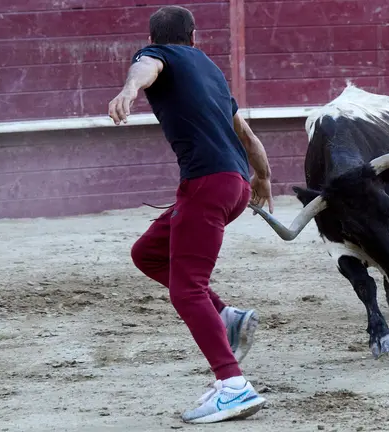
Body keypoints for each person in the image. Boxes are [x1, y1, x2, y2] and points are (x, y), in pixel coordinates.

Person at [107, 5, 275, 424]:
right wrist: (265, 178)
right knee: (147, 252)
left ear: (153, 39)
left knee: (186, 289)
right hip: (233, 186)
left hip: (207, 186)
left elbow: (145, 66)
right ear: (195, 36)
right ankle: (227, 317)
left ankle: (232, 385)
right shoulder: (211, 70)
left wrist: (128, 91)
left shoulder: (154, 56)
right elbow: (248, 135)